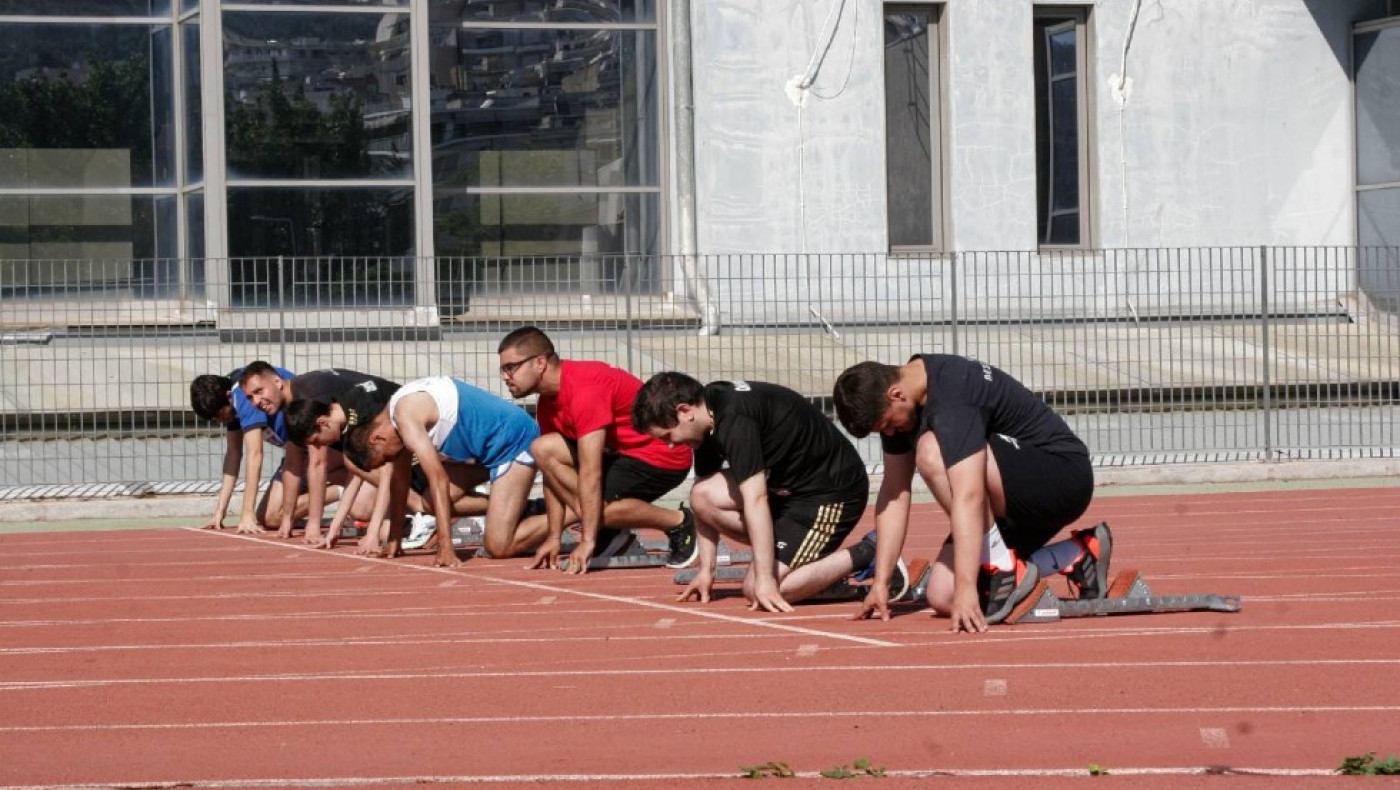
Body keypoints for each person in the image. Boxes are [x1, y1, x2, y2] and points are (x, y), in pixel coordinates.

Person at [831, 355, 1111, 633]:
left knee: (931, 451)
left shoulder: (953, 394)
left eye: (888, 424)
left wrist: (968, 586)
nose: (891, 433)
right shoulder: (900, 404)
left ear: (896, 394)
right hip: (1005, 500)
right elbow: (894, 493)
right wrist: (881, 583)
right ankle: (1078, 554)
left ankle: (1001, 565)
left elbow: (970, 495)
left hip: (1061, 477)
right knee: (943, 594)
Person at [632, 372, 908, 613]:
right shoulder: (708, 413)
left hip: (830, 494)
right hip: (787, 489)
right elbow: (703, 500)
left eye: (668, 436)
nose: (670, 445)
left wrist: (765, 578)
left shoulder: (735, 419)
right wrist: (706, 570)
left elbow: (756, 498)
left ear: (684, 411)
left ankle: (870, 550)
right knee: (702, 495)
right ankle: (802, 565)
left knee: (757, 589)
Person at [497, 327, 696, 573]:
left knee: (595, 508)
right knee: (543, 449)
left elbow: (591, 472)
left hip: (663, 455)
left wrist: (587, 540)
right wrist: (554, 537)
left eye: (511, 367)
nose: (505, 376)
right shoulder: (547, 401)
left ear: (540, 363)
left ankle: (680, 522)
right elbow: (550, 475)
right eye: (503, 369)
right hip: (620, 454)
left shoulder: (585, 390)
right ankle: (612, 533)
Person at [343, 376, 546, 566]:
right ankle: (524, 508)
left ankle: (563, 514)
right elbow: (400, 482)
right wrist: (394, 539)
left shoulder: (406, 418)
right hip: (484, 453)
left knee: (498, 546)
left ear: (377, 439)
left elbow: (438, 479)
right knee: (428, 502)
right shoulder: (395, 415)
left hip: (513, 443)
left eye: (385, 458)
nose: (390, 461)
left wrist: (445, 545)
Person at [238, 363, 396, 546]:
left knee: (364, 510)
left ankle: (412, 507)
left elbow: (318, 464)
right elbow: (292, 462)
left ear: (277, 382)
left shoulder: (309, 397)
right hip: (372, 436)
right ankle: (393, 504)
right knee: (356, 487)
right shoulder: (294, 405)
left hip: (395, 425)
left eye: (259, 391)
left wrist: (313, 526)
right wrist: (287, 520)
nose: (256, 401)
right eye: (250, 397)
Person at [189, 365, 295, 534]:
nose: (220, 421)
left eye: (220, 415)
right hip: (296, 451)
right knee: (271, 517)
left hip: (314, 444)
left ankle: (336, 488)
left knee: (270, 516)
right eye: (215, 419)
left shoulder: (244, 395)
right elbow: (233, 454)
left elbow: (255, 453)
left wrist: (247, 513)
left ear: (228, 397)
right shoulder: (232, 402)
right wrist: (219, 512)